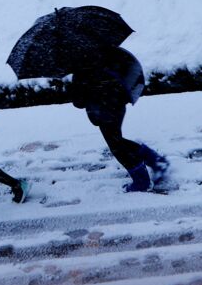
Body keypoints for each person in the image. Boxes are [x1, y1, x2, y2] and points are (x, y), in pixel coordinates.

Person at [69, 46, 168, 192]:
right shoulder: (105, 53)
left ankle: (142, 181)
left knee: (117, 146)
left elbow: (79, 102)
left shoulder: (81, 71)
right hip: (117, 104)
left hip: (102, 111)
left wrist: (72, 89)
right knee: (117, 140)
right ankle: (155, 160)